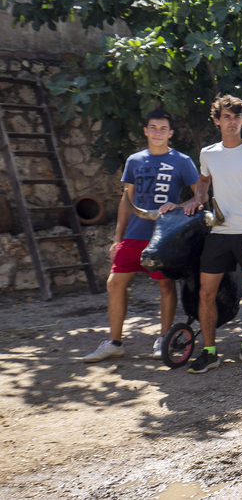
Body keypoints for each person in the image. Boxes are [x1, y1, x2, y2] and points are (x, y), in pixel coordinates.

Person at [164, 95, 242, 373]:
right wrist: (196, 200)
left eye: (237, 116)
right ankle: (210, 352)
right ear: (217, 120)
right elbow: (203, 183)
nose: (232, 121)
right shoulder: (209, 153)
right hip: (219, 232)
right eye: (226, 116)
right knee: (205, 293)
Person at [83, 110, 200, 362]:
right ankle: (114, 342)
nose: (158, 132)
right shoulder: (135, 160)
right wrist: (117, 237)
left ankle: (163, 339)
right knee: (114, 283)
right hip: (134, 235)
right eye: (153, 127)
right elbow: (127, 200)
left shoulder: (182, 161)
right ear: (146, 131)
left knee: (165, 286)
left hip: (164, 236)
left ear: (170, 133)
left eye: (163, 128)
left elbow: (199, 195)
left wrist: (178, 207)